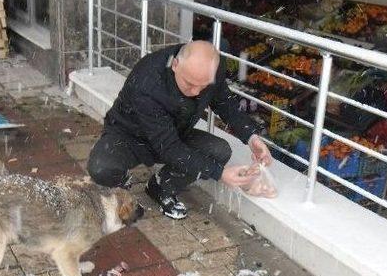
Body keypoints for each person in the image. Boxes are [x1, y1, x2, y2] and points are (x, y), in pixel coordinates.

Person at [87, 40, 272, 219]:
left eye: (204, 86)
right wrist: (220, 173)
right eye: (190, 84)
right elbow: (168, 148)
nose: (196, 92)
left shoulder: (210, 70)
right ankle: (120, 185)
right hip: (129, 134)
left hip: (174, 132)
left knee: (219, 151)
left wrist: (252, 137)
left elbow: (224, 103)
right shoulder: (147, 80)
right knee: (102, 168)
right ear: (175, 64)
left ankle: (161, 186)